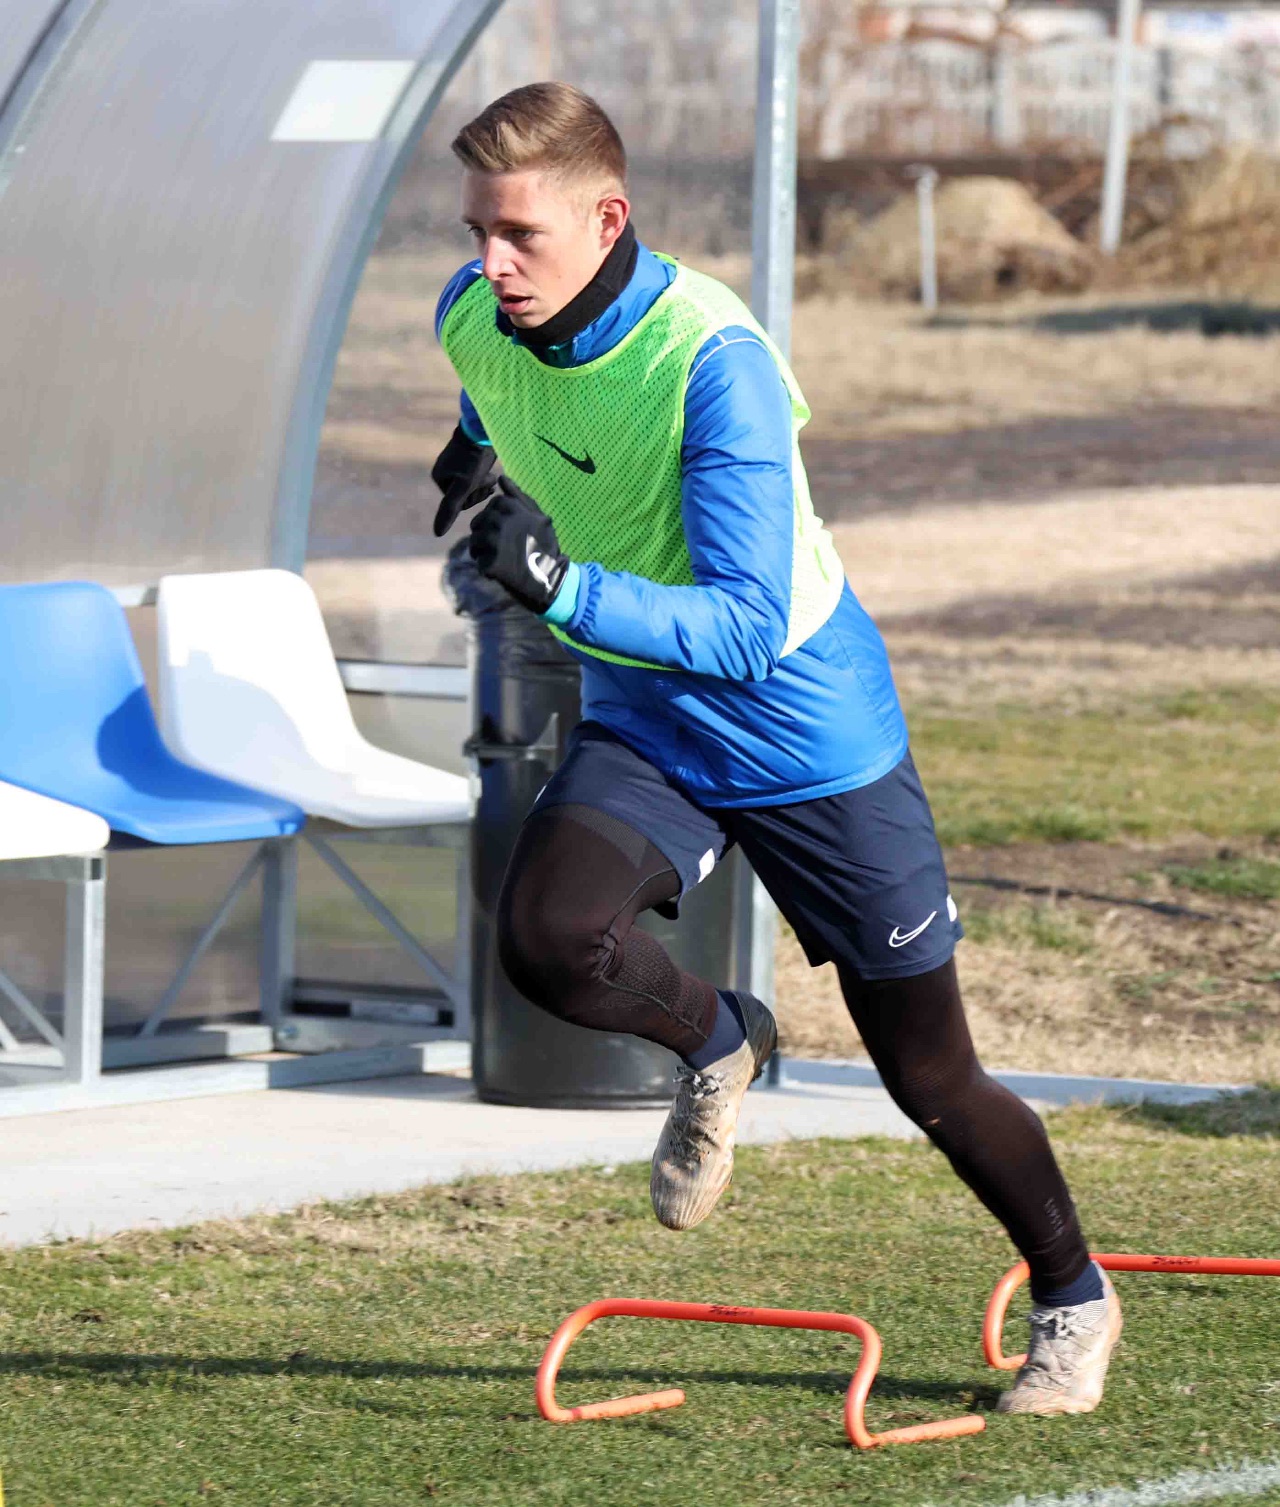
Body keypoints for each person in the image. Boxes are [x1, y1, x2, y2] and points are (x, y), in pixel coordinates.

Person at [430, 81, 1122, 1416]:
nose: (492, 262)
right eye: (478, 230)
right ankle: (721, 1037)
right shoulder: (475, 315)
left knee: (932, 1076)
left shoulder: (713, 363)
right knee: (547, 939)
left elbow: (747, 628)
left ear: (608, 220)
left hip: (809, 736)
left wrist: (559, 585)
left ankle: (1074, 1297)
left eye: (519, 234)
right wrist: (468, 456)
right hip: (651, 716)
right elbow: (489, 393)